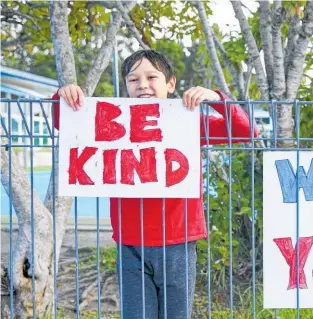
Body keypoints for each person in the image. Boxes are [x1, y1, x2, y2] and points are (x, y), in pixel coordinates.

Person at [52, 50, 258, 319]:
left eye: (152, 77)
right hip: (129, 241)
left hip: (178, 239)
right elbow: (63, 122)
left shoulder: (187, 120)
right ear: (125, 85)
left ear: (171, 83)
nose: (143, 85)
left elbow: (246, 133)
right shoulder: (112, 120)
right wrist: (64, 95)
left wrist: (217, 98)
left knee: (176, 314)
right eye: (133, 79)